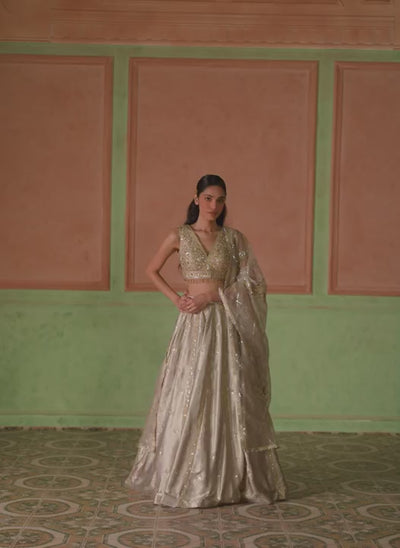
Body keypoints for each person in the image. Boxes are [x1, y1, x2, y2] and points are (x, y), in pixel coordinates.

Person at [125, 174, 286, 508]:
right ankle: (186, 474)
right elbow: (151, 270)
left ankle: (229, 477)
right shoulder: (179, 235)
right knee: (188, 391)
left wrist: (212, 295)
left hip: (226, 324)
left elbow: (253, 283)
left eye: (221, 199)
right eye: (209, 198)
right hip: (193, 326)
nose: (215, 205)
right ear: (196, 198)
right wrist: (177, 299)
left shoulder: (234, 239)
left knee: (229, 392)